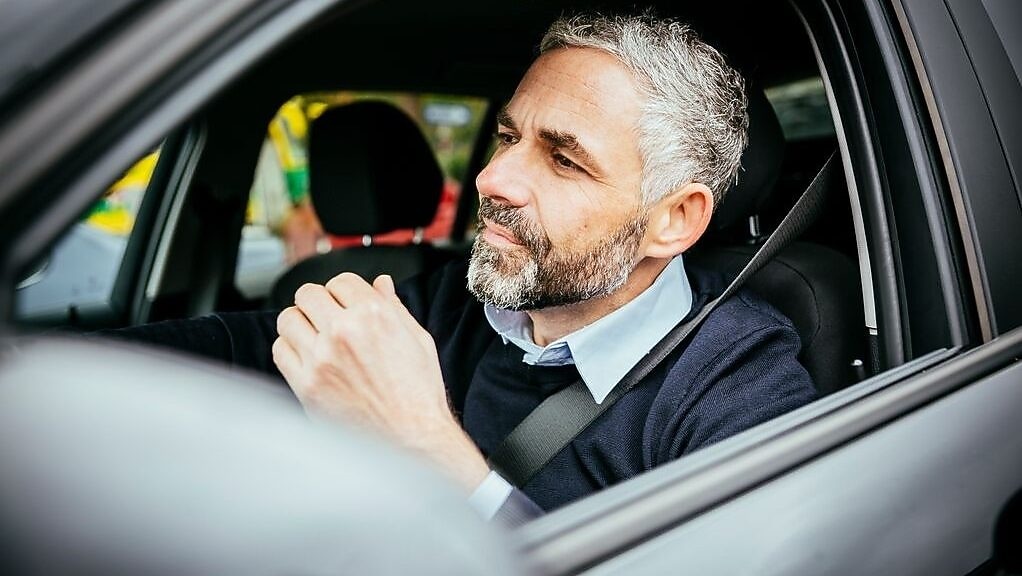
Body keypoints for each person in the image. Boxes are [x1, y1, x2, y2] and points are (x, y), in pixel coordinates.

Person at [111, 12, 816, 524]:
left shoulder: (739, 389)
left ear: (675, 220)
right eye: (508, 135)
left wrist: (427, 447)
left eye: (564, 158)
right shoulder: (455, 302)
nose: (493, 176)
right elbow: (250, 346)